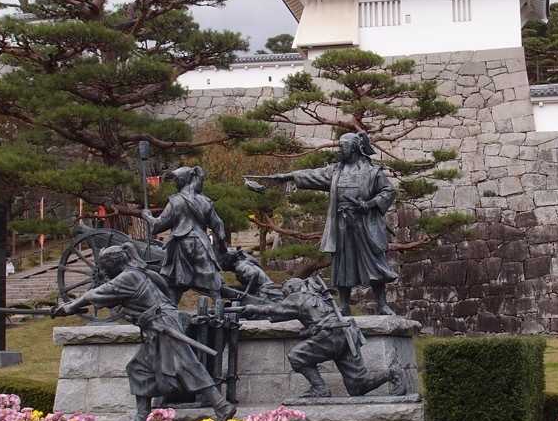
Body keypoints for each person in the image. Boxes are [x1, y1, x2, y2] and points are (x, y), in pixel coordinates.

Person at [52, 245, 236, 421]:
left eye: (104, 267)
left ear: (114, 264)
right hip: (156, 325)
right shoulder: (135, 273)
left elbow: (94, 294)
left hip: (162, 324)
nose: (103, 271)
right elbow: (111, 297)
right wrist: (73, 305)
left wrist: (69, 307)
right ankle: (141, 419)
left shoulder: (129, 277)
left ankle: (222, 406)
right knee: (139, 368)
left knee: (185, 365)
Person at [245, 132, 397, 315]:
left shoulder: (372, 172)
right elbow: (312, 175)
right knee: (342, 265)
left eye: (343, 146)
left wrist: (369, 204)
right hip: (342, 224)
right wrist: (286, 176)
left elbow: (388, 191)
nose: (339, 149)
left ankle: (382, 304)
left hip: (364, 223)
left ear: (355, 148)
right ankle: (344, 305)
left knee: (374, 263)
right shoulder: (335, 171)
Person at [238, 276, 407, 399]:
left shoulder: (297, 297)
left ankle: (320, 389)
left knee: (296, 356)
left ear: (292, 288)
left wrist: (252, 308)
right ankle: (391, 373)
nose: (285, 295)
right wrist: (309, 331)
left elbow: (275, 311)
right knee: (357, 386)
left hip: (330, 334)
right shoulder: (319, 298)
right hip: (346, 333)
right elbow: (312, 318)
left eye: (285, 291)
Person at [144, 165, 228, 303]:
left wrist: (147, 216)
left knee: (175, 281)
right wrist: (223, 248)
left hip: (181, 244)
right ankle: (219, 305)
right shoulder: (205, 201)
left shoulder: (175, 201)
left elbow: (158, 225)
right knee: (211, 280)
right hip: (201, 243)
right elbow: (218, 225)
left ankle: (171, 309)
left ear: (181, 181)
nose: (174, 183)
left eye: (176, 180)